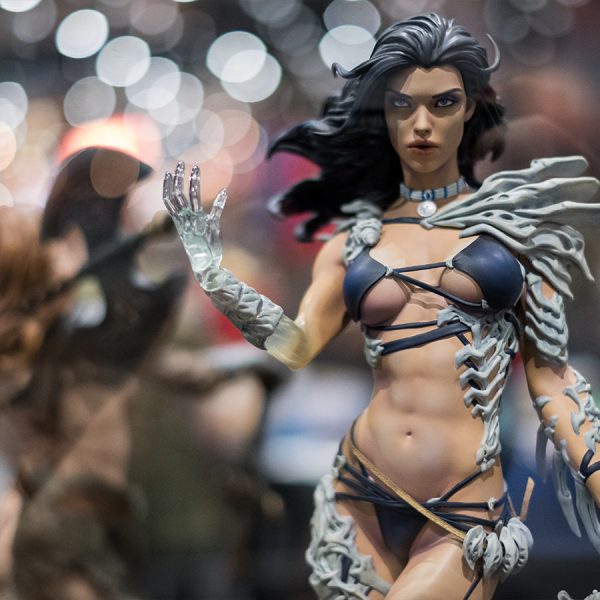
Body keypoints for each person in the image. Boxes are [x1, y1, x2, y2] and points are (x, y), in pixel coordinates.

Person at [163, 13, 600, 600]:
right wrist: (214, 275)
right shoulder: (352, 242)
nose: (421, 123)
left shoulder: (511, 236)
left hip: (462, 504)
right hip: (360, 493)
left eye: (442, 103)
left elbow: (552, 378)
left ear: (469, 110)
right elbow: (297, 345)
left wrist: (595, 470)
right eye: (402, 105)